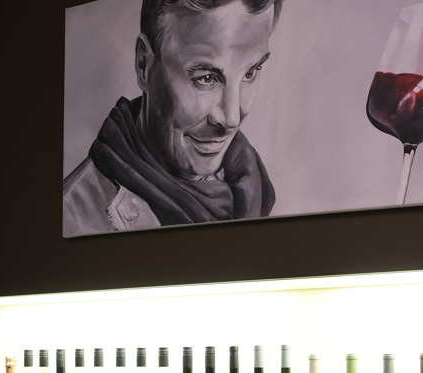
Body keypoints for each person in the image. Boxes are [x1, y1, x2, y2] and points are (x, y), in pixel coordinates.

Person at [63, 0, 282, 235]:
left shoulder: (254, 187)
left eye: (250, 73)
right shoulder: (72, 218)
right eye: (206, 78)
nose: (231, 119)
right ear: (144, 65)